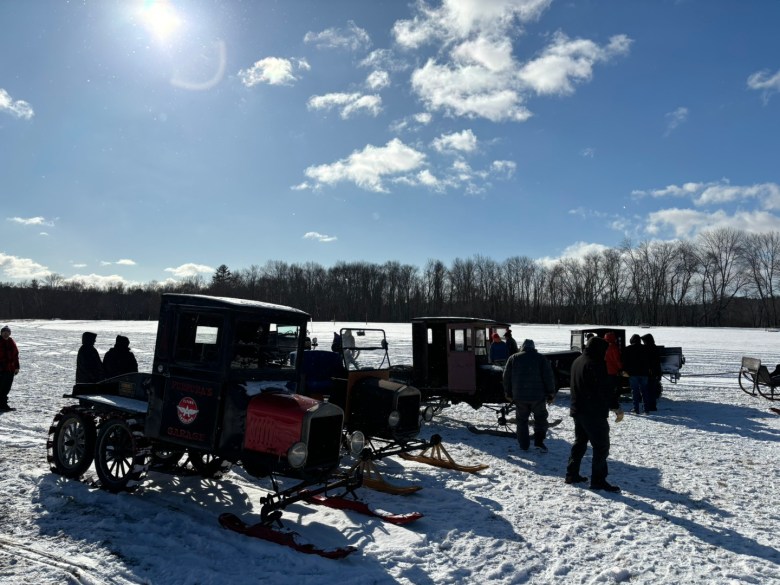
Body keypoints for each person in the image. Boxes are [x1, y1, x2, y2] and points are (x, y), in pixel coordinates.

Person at [565, 336, 624, 492]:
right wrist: (615, 407)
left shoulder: (578, 361)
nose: (605, 354)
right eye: (604, 351)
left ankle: (571, 473)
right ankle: (598, 480)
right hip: (593, 412)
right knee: (601, 446)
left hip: (578, 409)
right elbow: (604, 388)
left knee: (580, 442)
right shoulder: (596, 364)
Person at [503, 339, 556, 452]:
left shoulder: (513, 358)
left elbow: (506, 377)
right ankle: (539, 442)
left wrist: (508, 393)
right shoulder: (541, 358)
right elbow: (548, 377)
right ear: (533, 347)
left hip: (519, 397)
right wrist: (551, 393)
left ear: (522, 347)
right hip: (538, 397)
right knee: (540, 419)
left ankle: (524, 445)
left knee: (522, 421)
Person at [622, 334, 652, 414]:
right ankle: (646, 409)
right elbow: (649, 360)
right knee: (645, 391)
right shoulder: (645, 348)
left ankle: (636, 409)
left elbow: (624, 361)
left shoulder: (628, 349)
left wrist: (625, 371)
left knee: (634, 391)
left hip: (633, 373)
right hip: (644, 373)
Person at [0, 325, 20, 411]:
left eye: (7, 332)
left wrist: (17, 367)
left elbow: (15, 356)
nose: (6, 334)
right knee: (1, 387)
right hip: (1, 369)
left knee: (6, 388)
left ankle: (3, 405)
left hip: (10, 369)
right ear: (1, 333)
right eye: (4, 332)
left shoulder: (11, 342)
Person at [641, 333, 661, 411]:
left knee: (646, 390)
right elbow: (658, 362)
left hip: (648, 372)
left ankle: (648, 406)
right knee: (652, 389)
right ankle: (652, 406)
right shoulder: (654, 347)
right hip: (654, 372)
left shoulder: (646, 348)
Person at [604, 332, 624, 399]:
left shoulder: (603, 347)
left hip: (605, 369)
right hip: (613, 370)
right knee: (615, 386)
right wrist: (621, 368)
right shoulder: (614, 347)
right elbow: (617, 360)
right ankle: (613, 400)